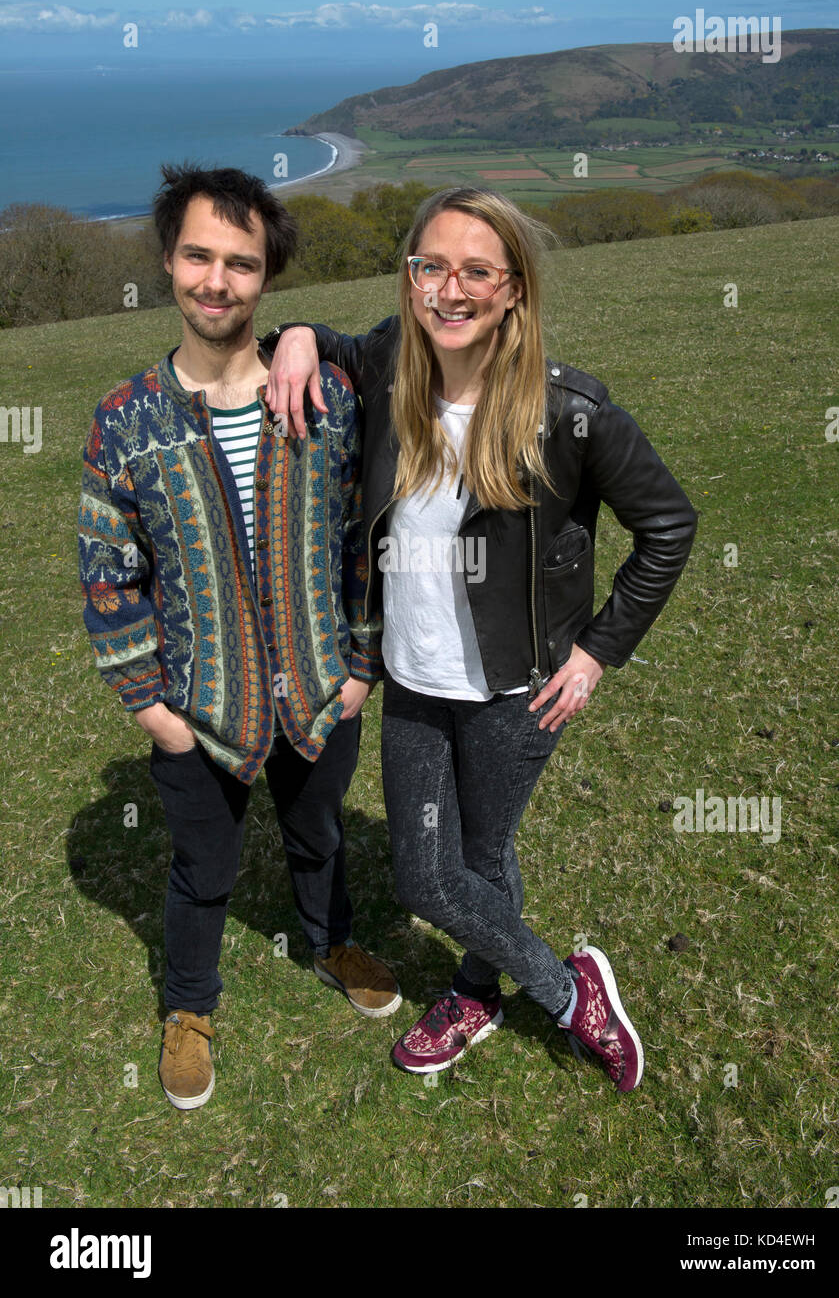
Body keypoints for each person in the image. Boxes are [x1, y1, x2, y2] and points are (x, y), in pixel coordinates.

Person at [260, 186, 697, 1091]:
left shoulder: (570, 411)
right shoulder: (389, 363)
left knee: (458, 867)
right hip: (413, 682)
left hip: (516, 690)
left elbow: (668, 526)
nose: (447, 290)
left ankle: (503, 993)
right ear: (409, 276)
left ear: (512, 291)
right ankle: (551, 993)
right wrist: (295, 331)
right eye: (429, 266)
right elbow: (322, 344)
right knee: (449, 869)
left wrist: (598, 651)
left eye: (475, 271)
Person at [78, 164, 400, 1111]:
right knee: (202, 868)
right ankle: (189, 1007)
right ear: (169, 263)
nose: (216, 281)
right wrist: (152, 708)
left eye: (241, 263)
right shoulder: (124, 419)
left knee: (319, 832)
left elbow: (361, 542)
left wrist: (360, 668)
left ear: (268, 278)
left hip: (318, 690)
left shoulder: (326, 400)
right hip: (196, 705)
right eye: (197, 256)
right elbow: (107, 573)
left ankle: (329, 939)